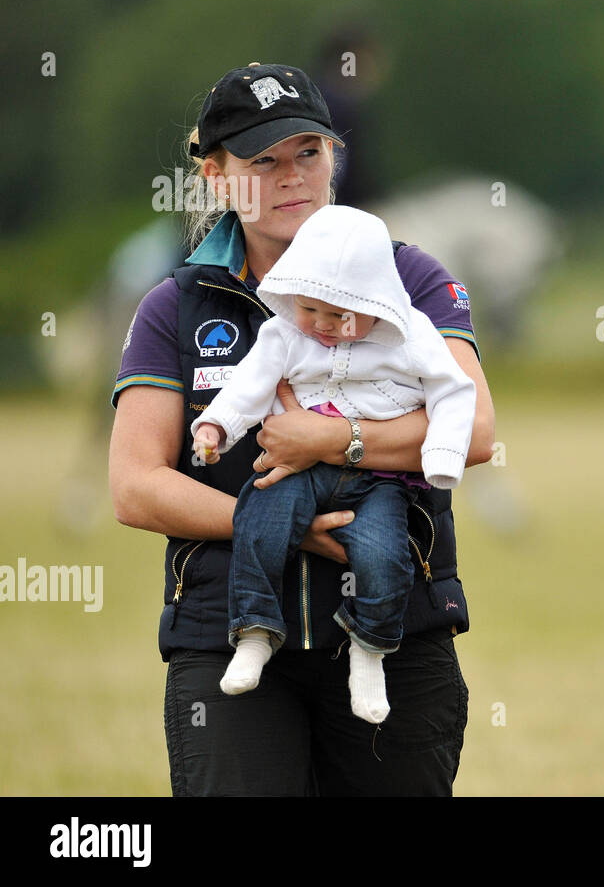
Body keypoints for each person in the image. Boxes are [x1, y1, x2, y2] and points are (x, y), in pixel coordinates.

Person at [109, 62, 495, 796]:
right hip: (227, 641)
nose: (292, 176)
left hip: (398, 634)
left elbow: (474, 429)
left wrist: (334, 441)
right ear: (217, 177)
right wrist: (277, 525)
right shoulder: (176, 305)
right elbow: (135, 486)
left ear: (333, 160)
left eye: (308, 153)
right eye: (263, 162)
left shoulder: (411, 277)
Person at [190, 204, 477, 724]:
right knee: (259, 517)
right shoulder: (282, 334)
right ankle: (254, 630)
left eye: (339, 315)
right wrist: (215, 428)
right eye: (309, 310)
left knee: (385, 554)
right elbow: (249, 388)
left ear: (377, 302)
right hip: (295, 470)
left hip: (379, 480)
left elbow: (454, 392)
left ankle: (369, 649)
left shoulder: (411, 335)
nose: (322, 326)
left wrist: (442, 457)